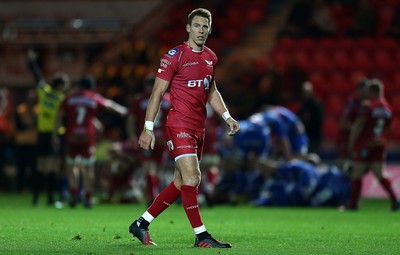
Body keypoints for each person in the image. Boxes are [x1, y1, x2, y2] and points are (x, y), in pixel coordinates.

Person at [128, 8, 240, 248]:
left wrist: (227, 116)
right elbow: (157, 92)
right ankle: (202, 236)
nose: (201, 30)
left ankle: (141, 223)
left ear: (210, 29)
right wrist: (147, 128)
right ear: (188, 28)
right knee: (193, 177)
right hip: (179, 124)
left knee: (181, 183)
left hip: (199, 128)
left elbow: (211, 91)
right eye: (197, 25)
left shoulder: (210, 57)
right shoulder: (174, 56)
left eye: (205, 26)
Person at [52, 75, 127, 208]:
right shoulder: (93, 97)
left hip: (72, 137)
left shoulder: (69, 98)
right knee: (88, 168)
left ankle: (74, 194)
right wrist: (123, 110)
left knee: (71, 166)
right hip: (87, 137)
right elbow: (109, 105)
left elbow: (58, 116)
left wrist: (55, 136)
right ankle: (87, 197)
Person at [347, 79, 398, 211]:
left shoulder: (369, 106)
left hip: (366, 144)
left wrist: (352, 141)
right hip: (380, 144)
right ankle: (395, 199)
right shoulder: (388, 108)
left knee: (357, 173)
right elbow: (389, 128)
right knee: (380, 173)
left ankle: (353, 204)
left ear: (372, 92)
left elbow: (359, 125)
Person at [27, 49, 70, 206]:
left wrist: (32, 62)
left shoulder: (44, 91)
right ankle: (51, 198)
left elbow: (37, 76)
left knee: (40, 166)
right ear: (61, 85)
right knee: (52, 167)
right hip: (54, 135)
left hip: (42, 134)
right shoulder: (62, 98)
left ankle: (36, 198)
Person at [126, 73, 171, 206]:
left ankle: (152, 197)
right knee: (158, 169)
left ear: (146, 85)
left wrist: (132, 136)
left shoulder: (139, 100)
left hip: (147, 136)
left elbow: (131, 120)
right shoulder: (169, 99)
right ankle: (156, 196)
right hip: (163, 138)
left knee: (149, 167)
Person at [337, 78, 368, 173]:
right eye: (363, 90)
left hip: (358, 139)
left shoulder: (368, 104)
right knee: (343, 164)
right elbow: (343, 123)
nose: (365, 93)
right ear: (358, 90)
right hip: (346, 137)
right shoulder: (352, 103)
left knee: (359, 166)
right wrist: (356, 129)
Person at [14, 89, 38, 192]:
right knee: (21, 167)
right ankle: (20, 187)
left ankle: (33, 187)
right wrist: (28, 126)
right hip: (22, 142)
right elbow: (18, 125)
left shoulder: (38, 109)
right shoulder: (21, 109)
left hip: (34, 142)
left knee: (34, 167)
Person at [297, 81, 324, 154]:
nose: (305, 94)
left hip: (314, 137)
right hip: (304, 136)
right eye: (304, 92)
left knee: (312, 157)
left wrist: (305, 125)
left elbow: (318, 122)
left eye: (307, 92)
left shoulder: (316, 105)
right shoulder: (303, 105)